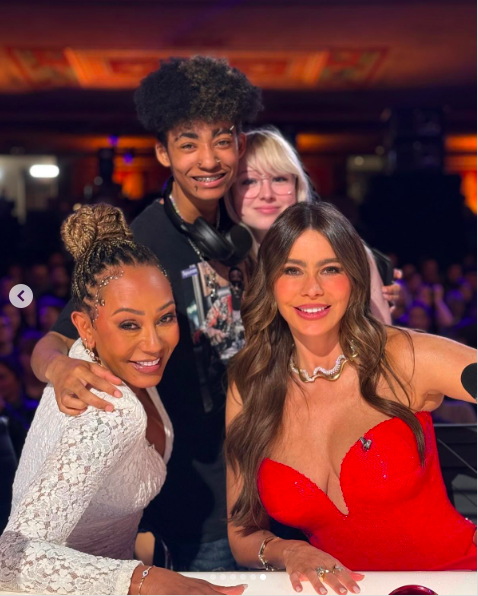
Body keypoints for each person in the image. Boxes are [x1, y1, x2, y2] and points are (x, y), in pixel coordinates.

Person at [31, 56, 262, 571]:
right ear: (163, 152)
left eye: (222, 140)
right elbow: (52, 340)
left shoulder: (240, 236)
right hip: (195, 507)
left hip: (259, 485)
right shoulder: (140, 244)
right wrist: (61, 368)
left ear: (240, 145)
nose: (209, 159)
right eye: (188, 143)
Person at [225, 202, 477, 596]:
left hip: (456, 581)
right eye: (292, 270)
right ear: (269, 282)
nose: (312, 288)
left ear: (354, 279)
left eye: (330, 269)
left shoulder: (402, 357)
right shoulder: (249, 385)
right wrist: (290, 550)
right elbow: (242, 534)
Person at [0, 204, 246, 596]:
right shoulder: (107, 411)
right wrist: (143, 579)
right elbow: (10, 558)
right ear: (85, 327)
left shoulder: (104, 363)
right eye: (129, 324)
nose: (153, 343)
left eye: (165, 318)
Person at [224, 128, 399, 324]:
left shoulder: (346, 249)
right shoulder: (217, 262)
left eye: (279, 179)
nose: (267, 194)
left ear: (297, 185)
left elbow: (382, 334)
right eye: (249, 181)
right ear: (230, 191)